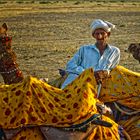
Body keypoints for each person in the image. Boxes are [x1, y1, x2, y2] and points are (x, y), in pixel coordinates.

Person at [61, 19, 120, 89]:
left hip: (102, 85)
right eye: (97, 34)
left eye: (102, 33)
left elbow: (113, 70)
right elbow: (70, 65)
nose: (100, 36)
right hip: (81, 83)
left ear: (108, 34)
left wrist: (105, 72)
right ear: (93, 36)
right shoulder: (84, 49)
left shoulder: (114, 51)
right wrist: (89, 73)